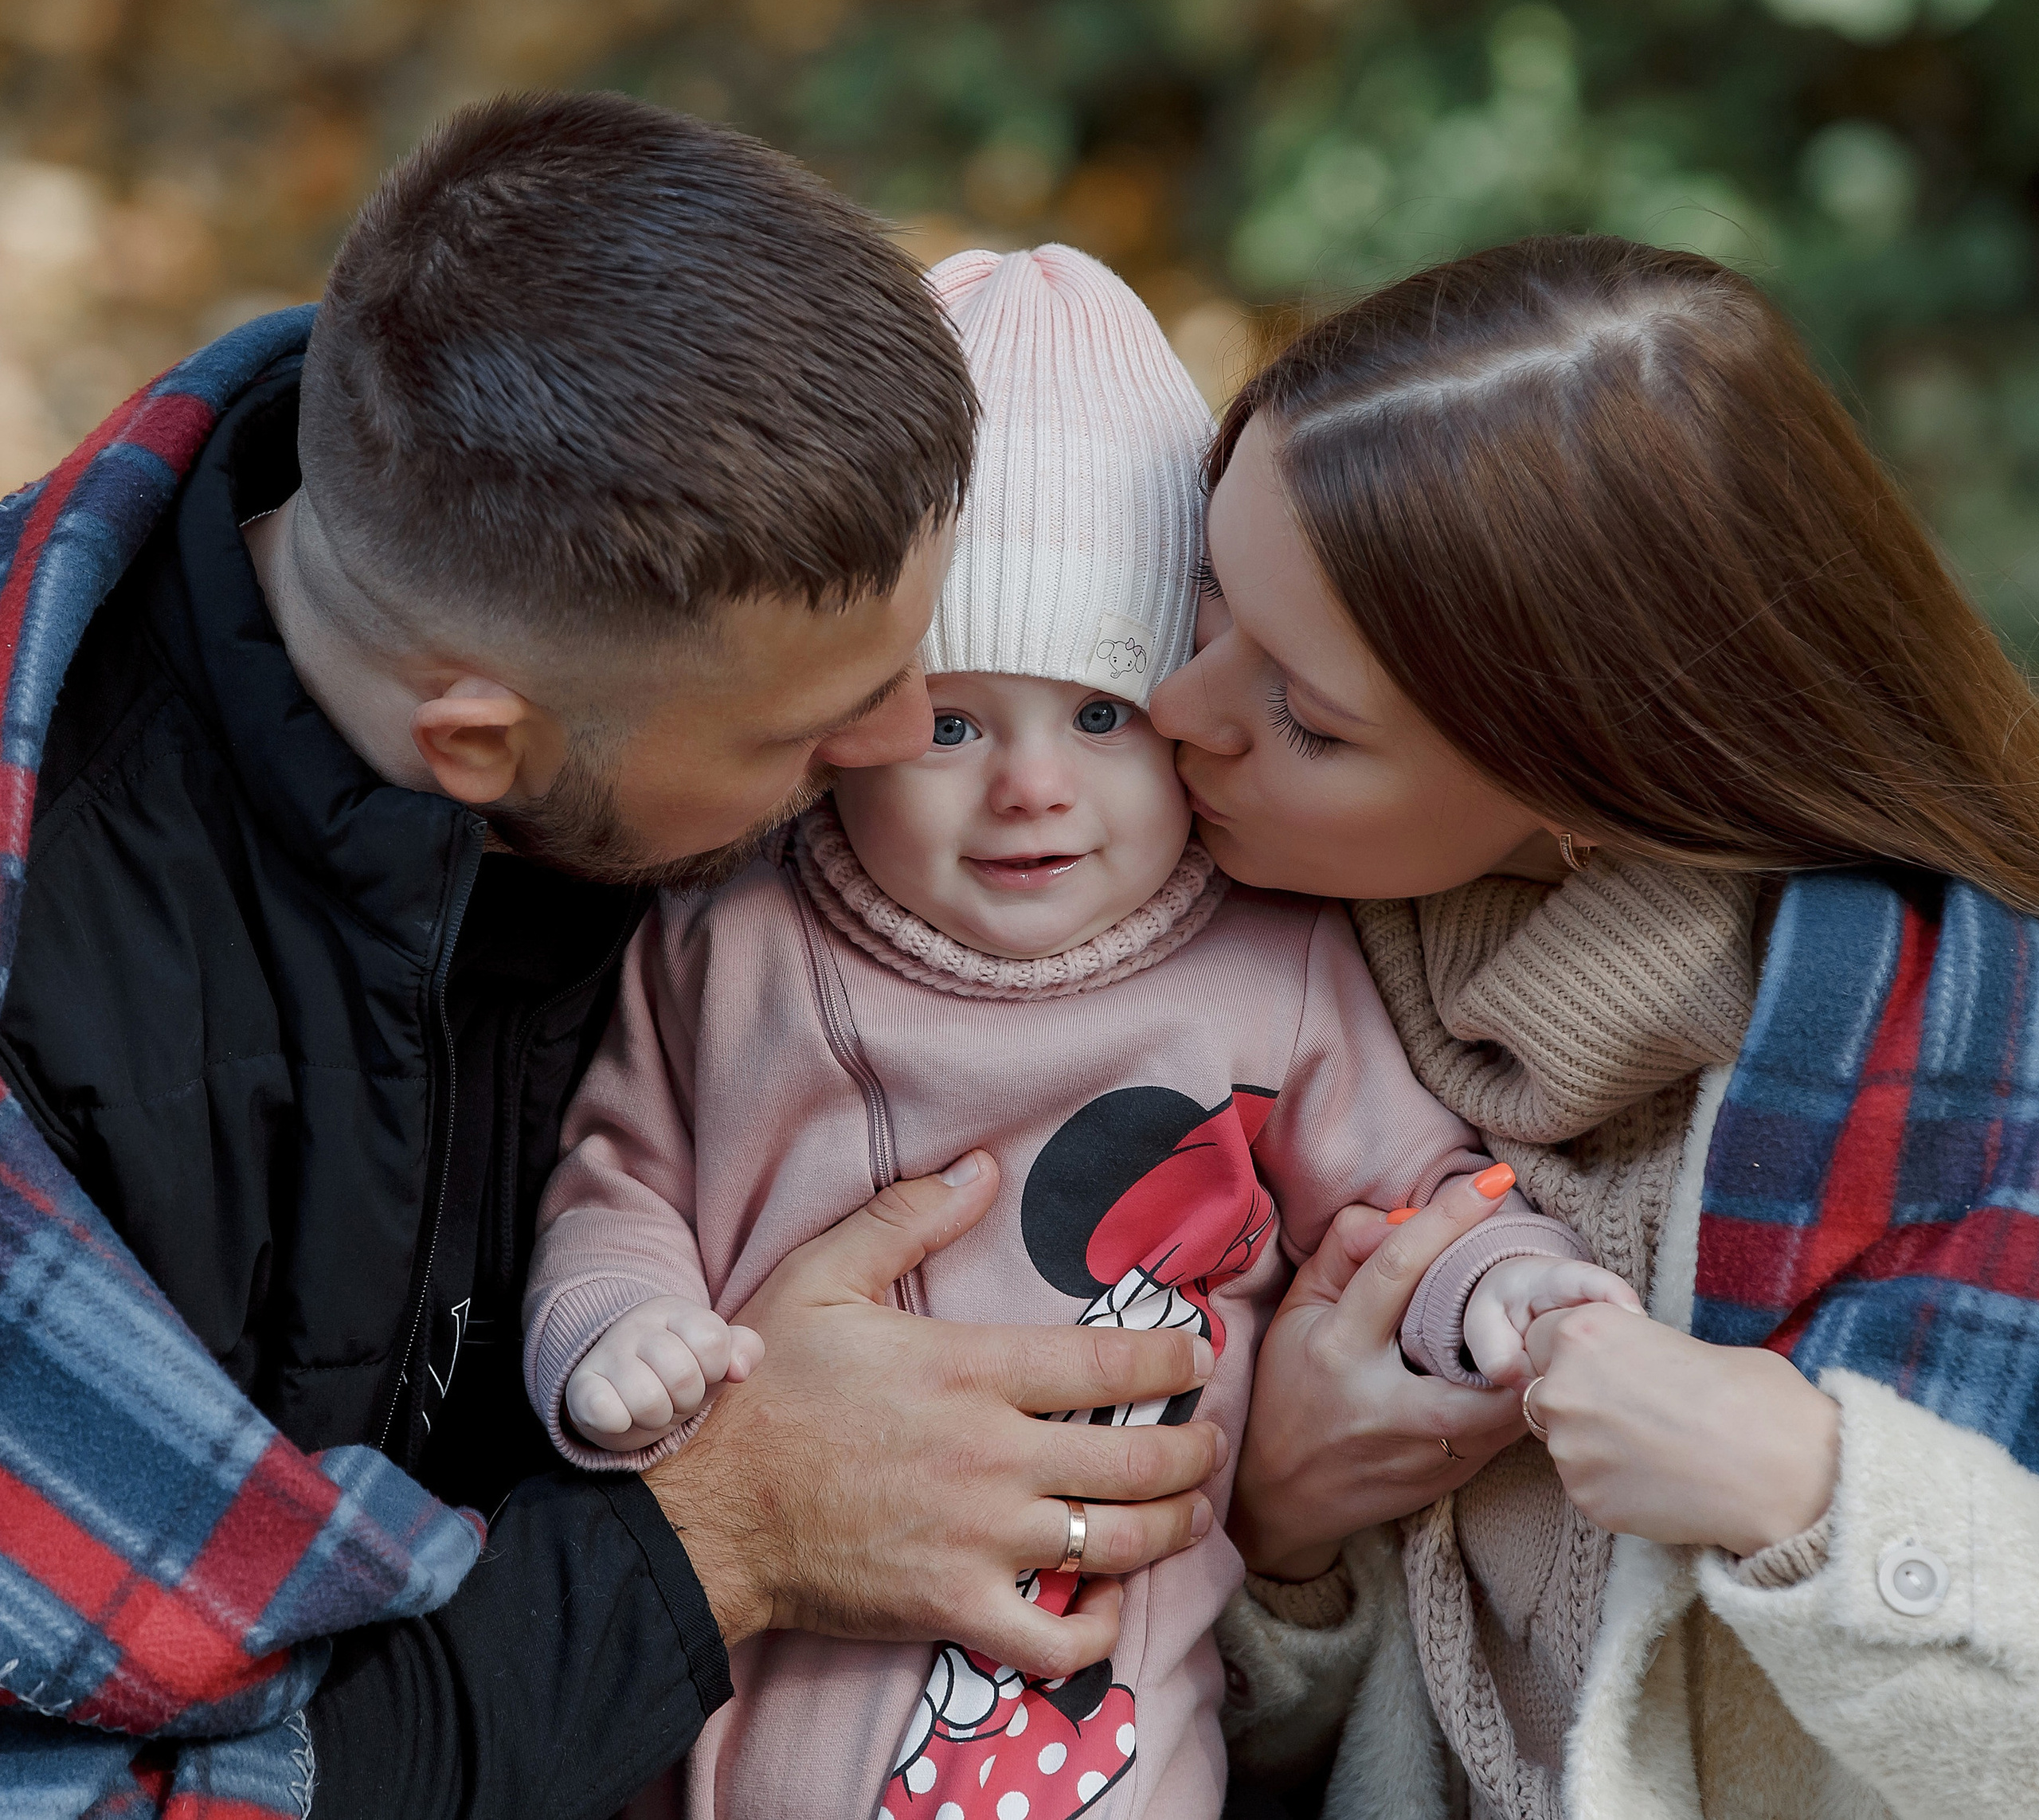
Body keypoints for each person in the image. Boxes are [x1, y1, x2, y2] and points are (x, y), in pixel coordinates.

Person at [0, 95, 1231, 1820]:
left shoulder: (595, 579)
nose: (897, 746)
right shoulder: (59, 1022)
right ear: (479, 743)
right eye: (813, 726)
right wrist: (731, 1532)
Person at [521, 245, 1632, 1820]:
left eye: (1101, 711)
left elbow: (1409, 1193)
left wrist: (1500, 1284)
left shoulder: (1272, 964)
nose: (1031, 784)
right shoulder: (737, 943)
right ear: (843, 733)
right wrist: (609, 1326)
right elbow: (616, 1174)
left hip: (1108, 1754)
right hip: (743, 1714)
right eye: (954, 721)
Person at [1142, 232, 2039, 1818]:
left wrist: (1820, 1501)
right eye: (1202, 598)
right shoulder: (1196, 984)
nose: (1177, 709)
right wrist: (1274, 1528)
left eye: (1303, 712)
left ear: (1582, 781)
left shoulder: (1972, 1073)